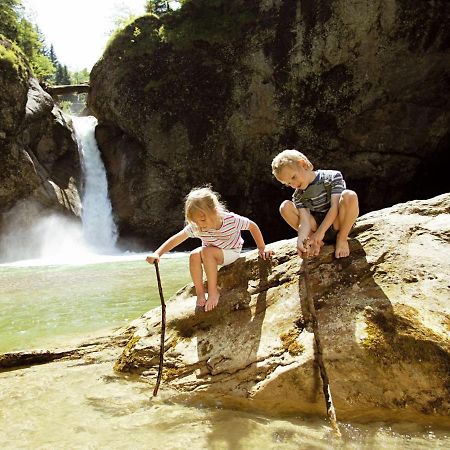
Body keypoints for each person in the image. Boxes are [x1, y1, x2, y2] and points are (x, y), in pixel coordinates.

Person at [146, 186, 273, 311]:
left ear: (214, 210)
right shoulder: (198, 226)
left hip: (231, 252)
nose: (200, 224)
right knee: (194, 255)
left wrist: (262, 248)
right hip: (210, 253)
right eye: (196, 221)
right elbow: (178, 238)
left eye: (202, 219)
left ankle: (213, 293)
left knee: (207, 251)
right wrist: (158, 253)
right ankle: (200, 294)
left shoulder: (231, 220)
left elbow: (253, 226)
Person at [271, 149, 359, 258]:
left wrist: (320, 232)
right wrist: (301, 240)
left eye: (293, 177)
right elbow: (304, 222)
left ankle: (342, 238)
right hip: (316, 229)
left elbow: (335, 207)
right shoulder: (298, 196)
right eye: (288, 183)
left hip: (337, 223)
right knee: (285, 207)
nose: (293, 185)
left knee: (349, 195)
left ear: (303, 165)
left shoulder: (332, 176)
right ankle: (315, 242)